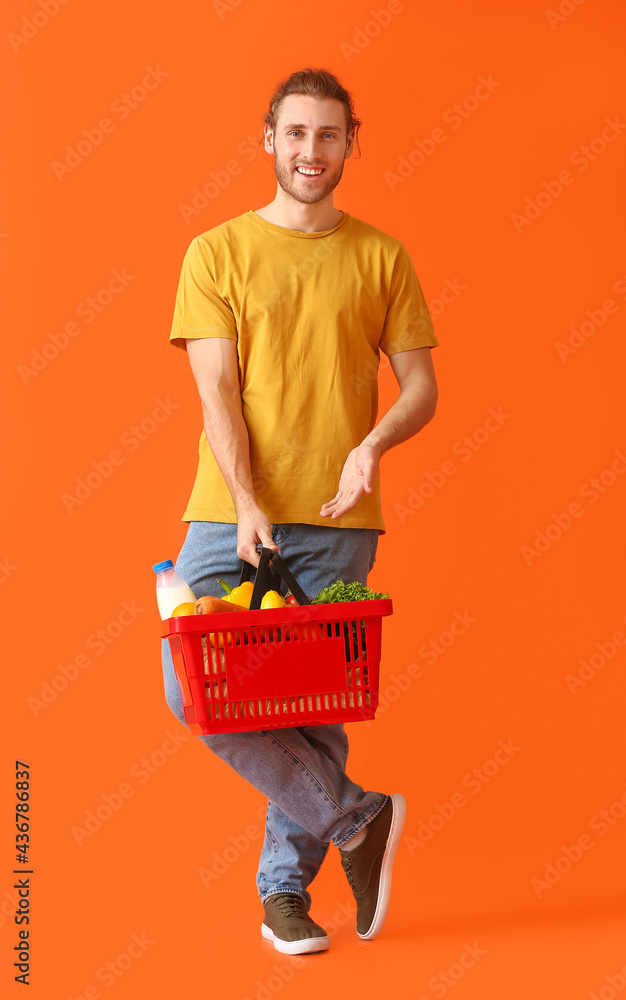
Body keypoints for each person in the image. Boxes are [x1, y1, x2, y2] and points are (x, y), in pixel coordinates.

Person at [162, 66, 439, 954]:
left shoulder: (382, 256)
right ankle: (360, 821)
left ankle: (286, 893)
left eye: (329, 135)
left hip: (339, 519)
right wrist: (246, 503)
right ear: (268, 140)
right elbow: (216, 389)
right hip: (226, 514)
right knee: (195, 690)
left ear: (353, 140)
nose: (311, 151)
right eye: (296, 134)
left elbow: (423, 387)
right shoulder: (217, 252)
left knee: (313, 708)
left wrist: (372, 444)